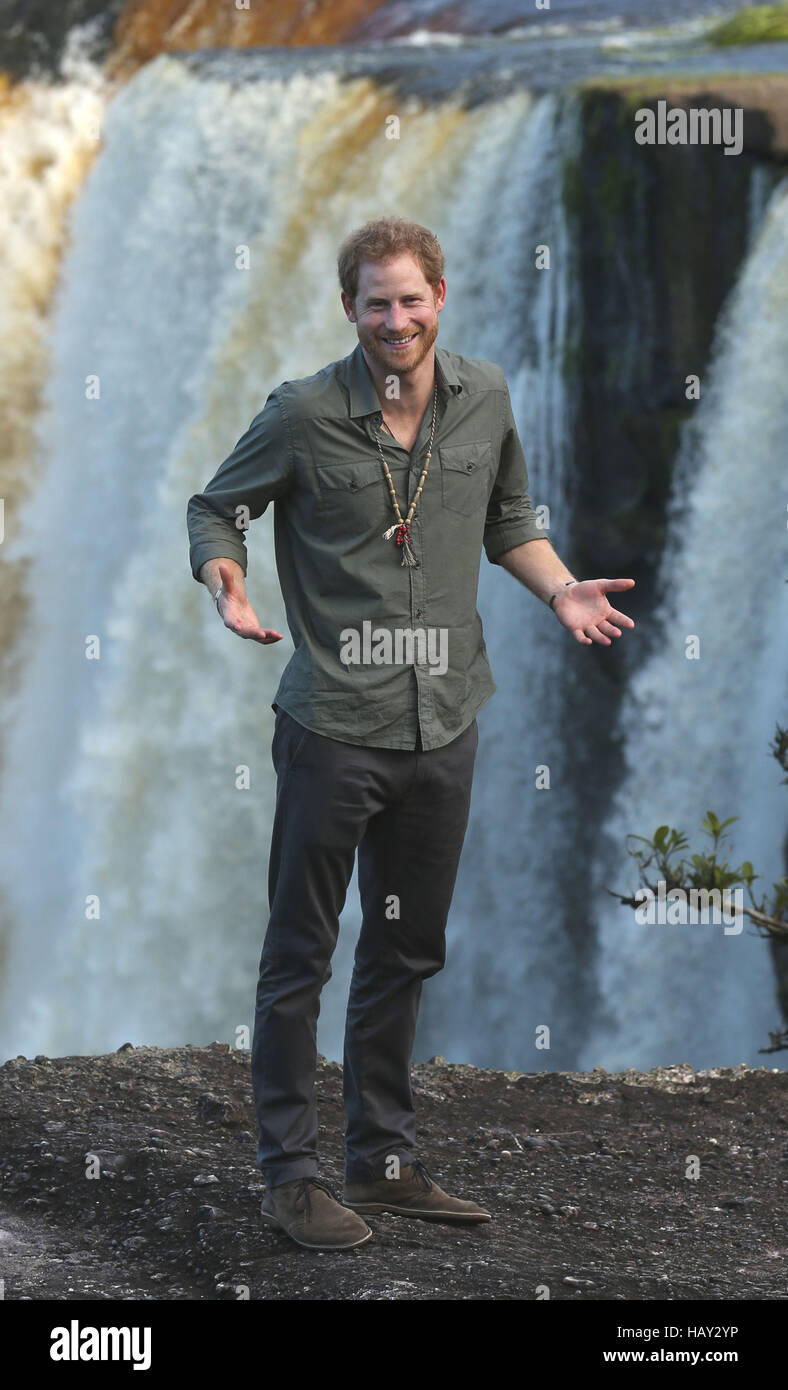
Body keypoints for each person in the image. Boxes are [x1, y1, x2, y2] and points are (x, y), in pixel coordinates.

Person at [186, 216, 635, 1250]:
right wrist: (226, 579)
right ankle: (289, 1176)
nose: (396, 319)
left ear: (441, 295)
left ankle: (381, 1162)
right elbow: (217, 507)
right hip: (334, 724)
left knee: (404, 950)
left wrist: (561, 590)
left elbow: (509, 520)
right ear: (350, 309)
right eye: (375, 302)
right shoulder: (302, 414)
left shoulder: (485, 398)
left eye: (410, 298)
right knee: (299, 955)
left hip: (447, 724)